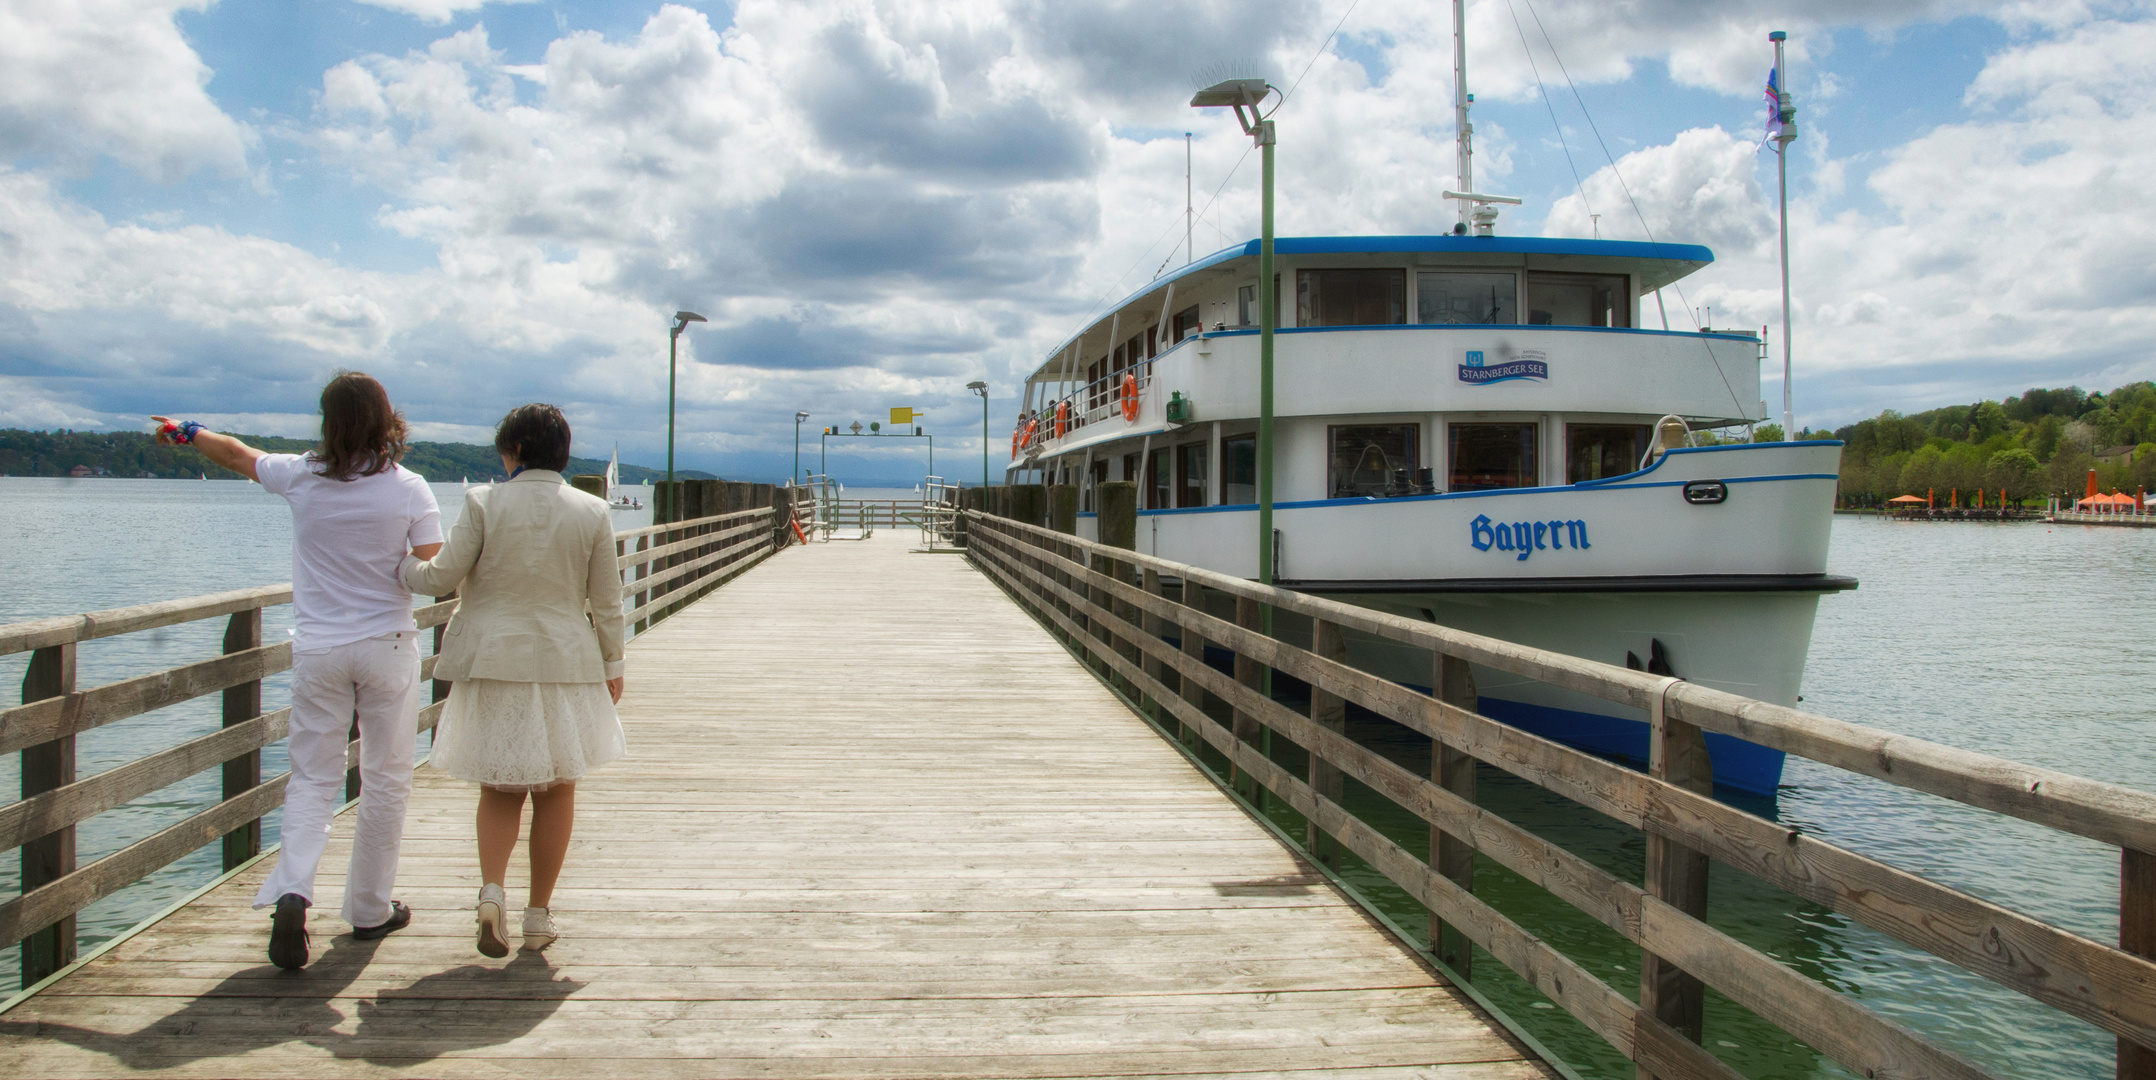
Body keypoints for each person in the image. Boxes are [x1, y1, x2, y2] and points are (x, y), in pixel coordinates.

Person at [152, 372, 441, 971]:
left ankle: (294, 890)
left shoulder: (301, 477)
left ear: (327, 422)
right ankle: (368, 909)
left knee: (312, 777)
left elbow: (236, 454)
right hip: (387, 644)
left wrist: (188, 432)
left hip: (319, 650)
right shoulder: (411, 489)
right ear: (388, 422)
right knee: (386, 779)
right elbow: (431, 569)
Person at [401, 403, 626, 957]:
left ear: (516, 450)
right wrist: (614, 664)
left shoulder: (483, 502)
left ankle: (491, 895)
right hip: (566, 662)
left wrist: (400, 565)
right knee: (557, 787)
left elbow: (440, 578)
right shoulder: (593, 510)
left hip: (493, 660)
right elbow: (608, 601)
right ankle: (537, 916)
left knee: (500, 785)